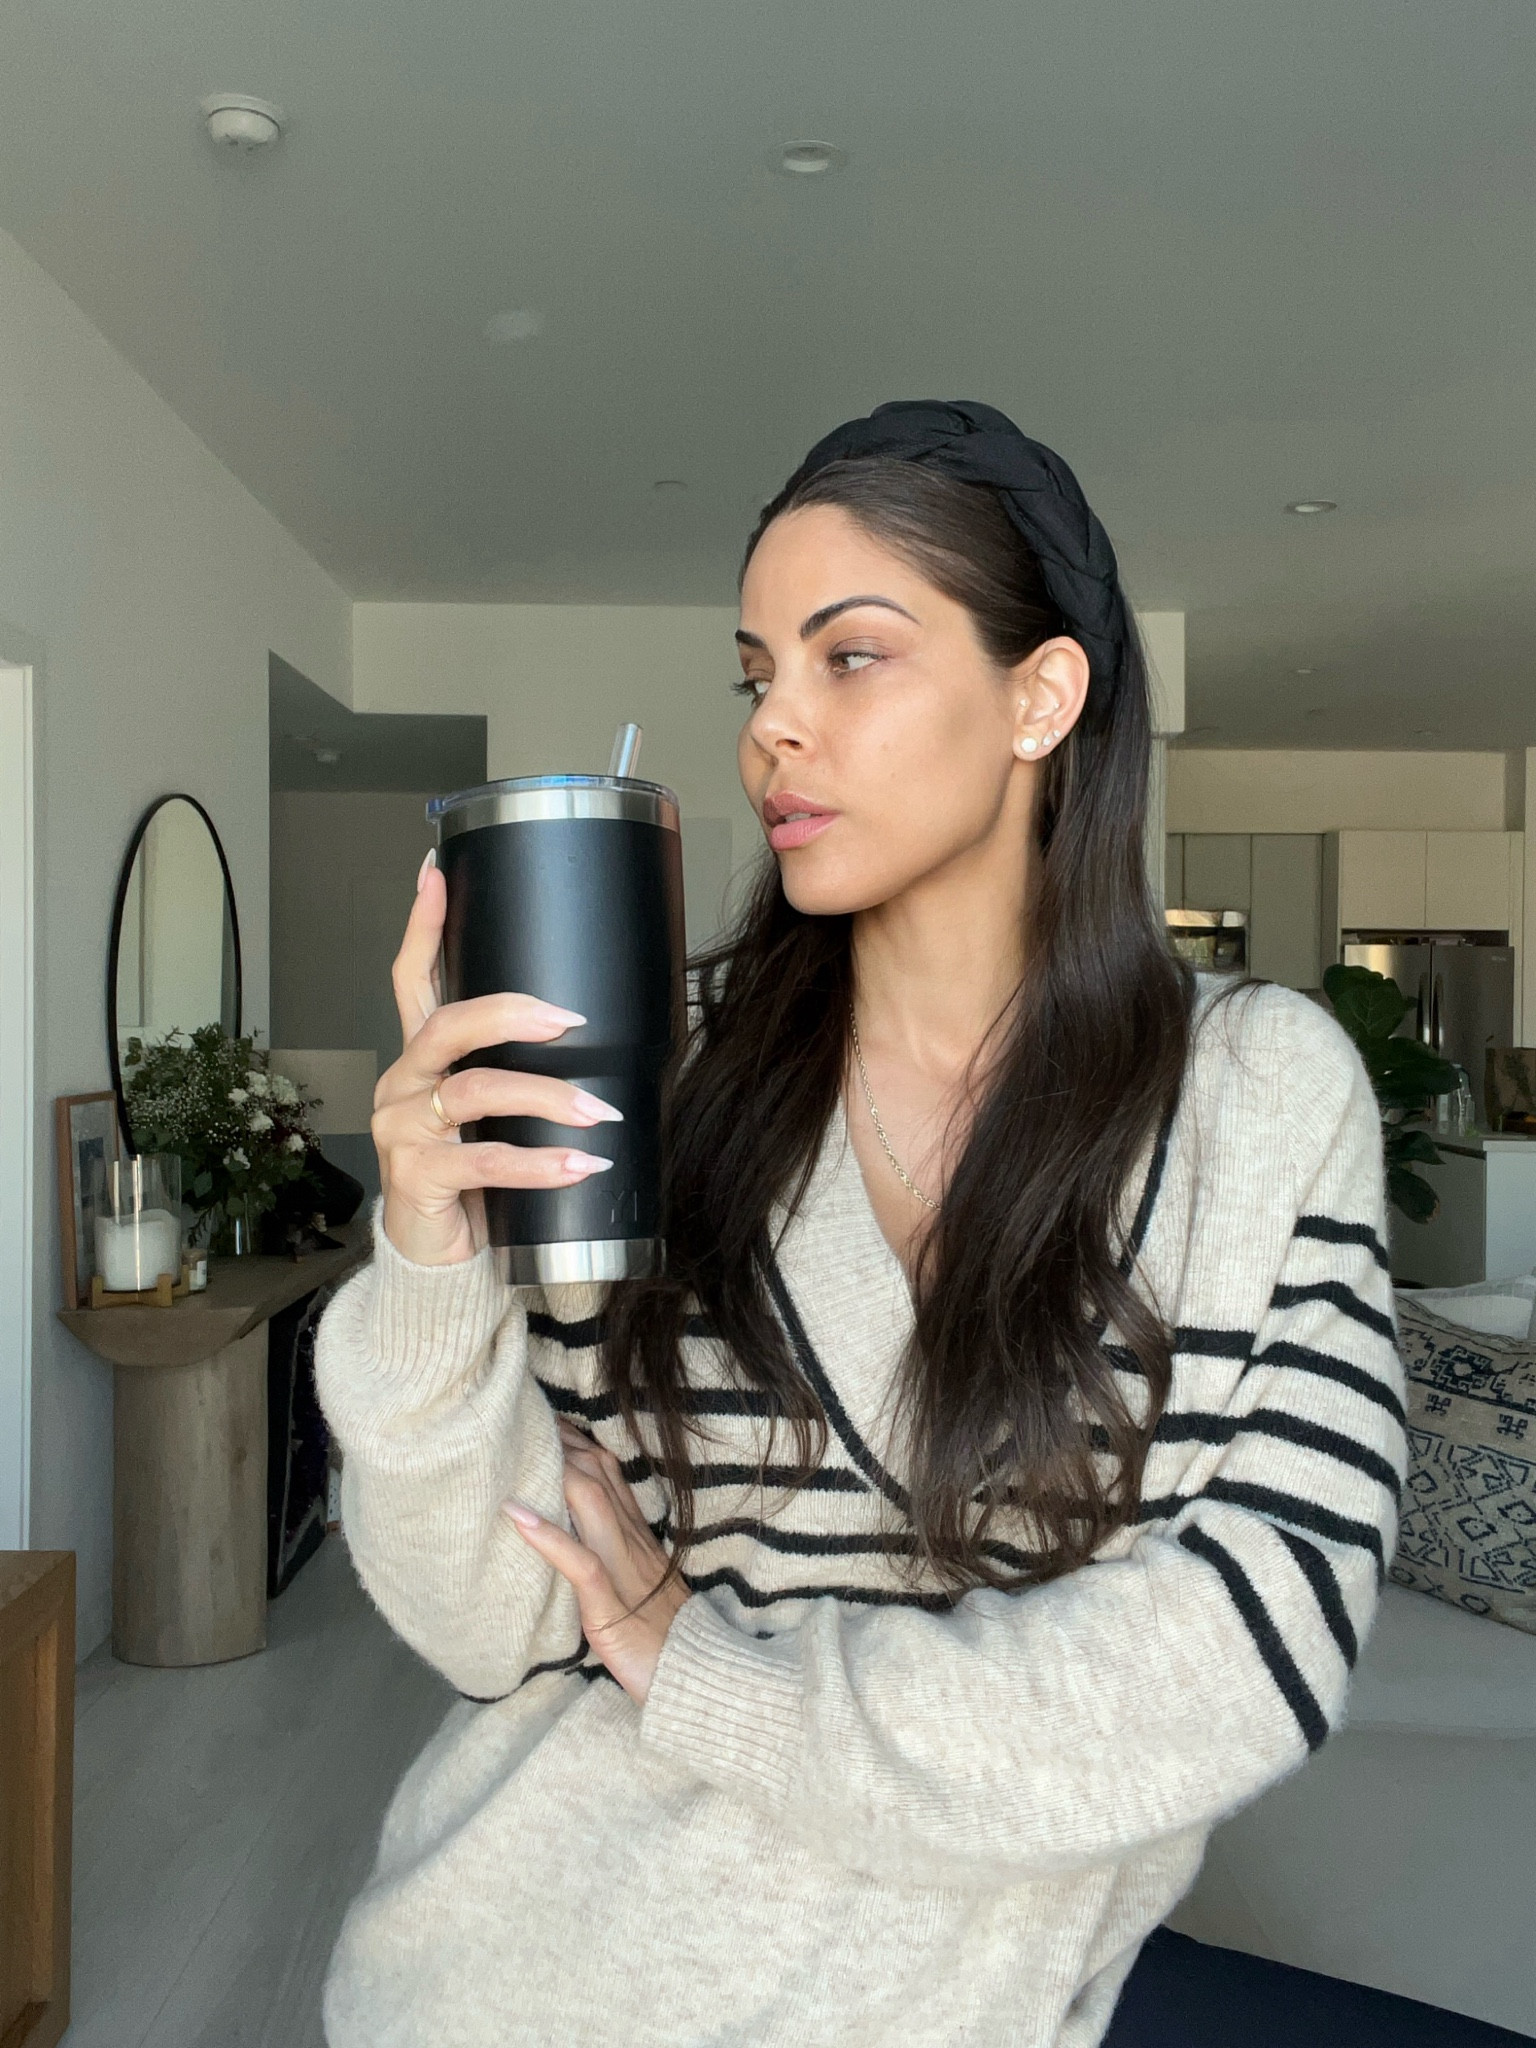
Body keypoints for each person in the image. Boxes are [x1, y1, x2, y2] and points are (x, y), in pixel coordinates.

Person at [314, 400, 1403, 2048]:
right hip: (512, 1982)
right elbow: (491, 1624)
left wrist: (703, 1666)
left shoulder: (1254, 1097)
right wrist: (427, 1248)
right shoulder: (653, 1075)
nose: (773, 728)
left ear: (1041, 696)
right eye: (758, 674)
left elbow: (1252, 1642)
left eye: (853, 657)